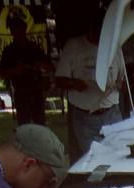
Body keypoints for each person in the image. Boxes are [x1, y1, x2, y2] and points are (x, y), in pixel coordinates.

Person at [55, 12, 125, 155]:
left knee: (118, 155)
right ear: (91, 29)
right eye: (98, 33)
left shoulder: (115, 47)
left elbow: (123, 79)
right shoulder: (74, 46)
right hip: (85, 117)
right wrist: (74, 83)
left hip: (111, 113)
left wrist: (117, 85)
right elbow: (59, 80)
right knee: (92, 158)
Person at [0, 16, 53, 125]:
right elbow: (3, 73)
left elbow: (50, 67)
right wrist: (17, 70)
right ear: (12, 32)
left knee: (40, 123)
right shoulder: (9, 51)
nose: (18, 33)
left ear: (24, 30)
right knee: (23, 125)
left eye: (20, 30)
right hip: (20, 91)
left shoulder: (34, 48)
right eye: (14, 30)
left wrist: (39, 65)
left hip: (36, 89)